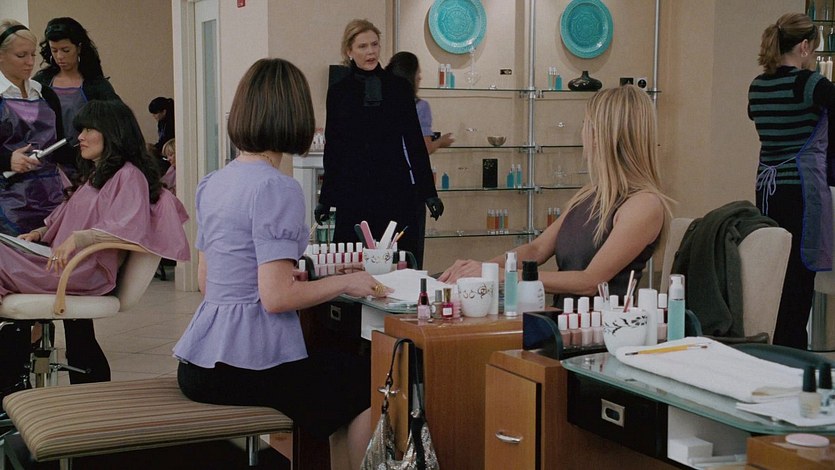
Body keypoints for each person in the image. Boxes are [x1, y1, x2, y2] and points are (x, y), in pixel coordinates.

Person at [173, 58, 388, 470]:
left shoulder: (213, 182)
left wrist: (295, 277)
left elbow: (209, 281)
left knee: (331, 378)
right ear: (295, 115)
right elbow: (275, 298)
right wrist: (348, 282)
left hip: (200, 364)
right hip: (244, 367)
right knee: (368, 381)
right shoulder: (278, 188)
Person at [0, 99, 190, 399]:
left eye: (89, 130)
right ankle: (10, 383)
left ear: (113, 132)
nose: (81, 137)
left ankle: (9, 387)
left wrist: (79, 239)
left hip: (83, 270)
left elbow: (128, 228)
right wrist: (38, 233)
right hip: (64, 264)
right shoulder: (96, 175)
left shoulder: (128, 176)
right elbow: (63, 219)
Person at [440, 85, 671, 305]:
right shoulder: (589, 195)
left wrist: (504, 275)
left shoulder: (644, 205)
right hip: (560, 318)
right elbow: (537, 250)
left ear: (601, 135)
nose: (582, 132)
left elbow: (590, 282)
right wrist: (481, 269)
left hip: (599, 326)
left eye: (586, 124)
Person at [315, 19, 443, 269]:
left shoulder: (399, 88)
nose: (371, 52)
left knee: (397, 264)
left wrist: (429, 192)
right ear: (349, 51)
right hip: (354, 192)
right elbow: (334, 149)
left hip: (394, 190)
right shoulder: (339, 92)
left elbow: (414, 144)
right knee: (351, 264)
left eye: (374, 45)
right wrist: (326, 198)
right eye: (362, 46)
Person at [748, 13, 835, 349]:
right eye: (813, 49)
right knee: (799, 281)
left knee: (774, 271)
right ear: (803, 47)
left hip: (767, 191)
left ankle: (772, 346)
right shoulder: (810, 84)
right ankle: (792, 354)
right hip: (802, 190)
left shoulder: (758, 86)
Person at [0, 20, 74, 236]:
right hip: (7, 199)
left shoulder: (45, 94)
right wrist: (7, 160)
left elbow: (60, 147)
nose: (30, 62)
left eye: (33, 55)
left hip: (50, 194)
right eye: (21, 55)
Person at [32, 17, 120, 151]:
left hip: (86, 156)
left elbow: (117, 121)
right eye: (54, 50)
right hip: (47, 155)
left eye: (66, 50)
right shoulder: (40, 82)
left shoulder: (95, 84)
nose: (60, 56)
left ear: (79, 48)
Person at [386, 51, 454, 155]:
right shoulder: (420, 107)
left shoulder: (381, 103)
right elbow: (425, 148)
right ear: (410, 77)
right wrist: (440, 142)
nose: (420, 77)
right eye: (418, 73)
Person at [148, 96, 174, 172]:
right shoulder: (161, 123)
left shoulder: (171, 123)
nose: (154, 116)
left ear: (164, 112)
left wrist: (155, 147)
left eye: (155, 113)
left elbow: (167, 140)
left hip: (168, 150)